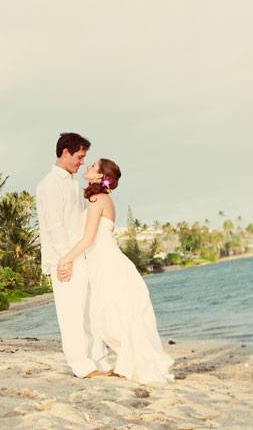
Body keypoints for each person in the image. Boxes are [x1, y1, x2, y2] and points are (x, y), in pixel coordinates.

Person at [56, 158, 174, 384]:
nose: (88, 167)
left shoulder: (96, 199)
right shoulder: (105, 199)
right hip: (106, 261)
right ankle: (128, 362)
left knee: (110, 314)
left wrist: (65, 259)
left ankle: (131, 363)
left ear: (100, 176)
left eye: (92, 166)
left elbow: (88, 238)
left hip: (107, 263)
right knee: (117, 313)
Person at [36, 133, 110, 378]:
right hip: (64, 261)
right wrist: (65, 260)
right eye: (79, 157)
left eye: (84, 158)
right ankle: (82, 366)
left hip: (80, 256)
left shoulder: (74, 183)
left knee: (90, 311)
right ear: (65, 152)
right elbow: (55, 228)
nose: (81, 162)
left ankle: (99, 361)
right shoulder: (48, 185)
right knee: (71, 315)